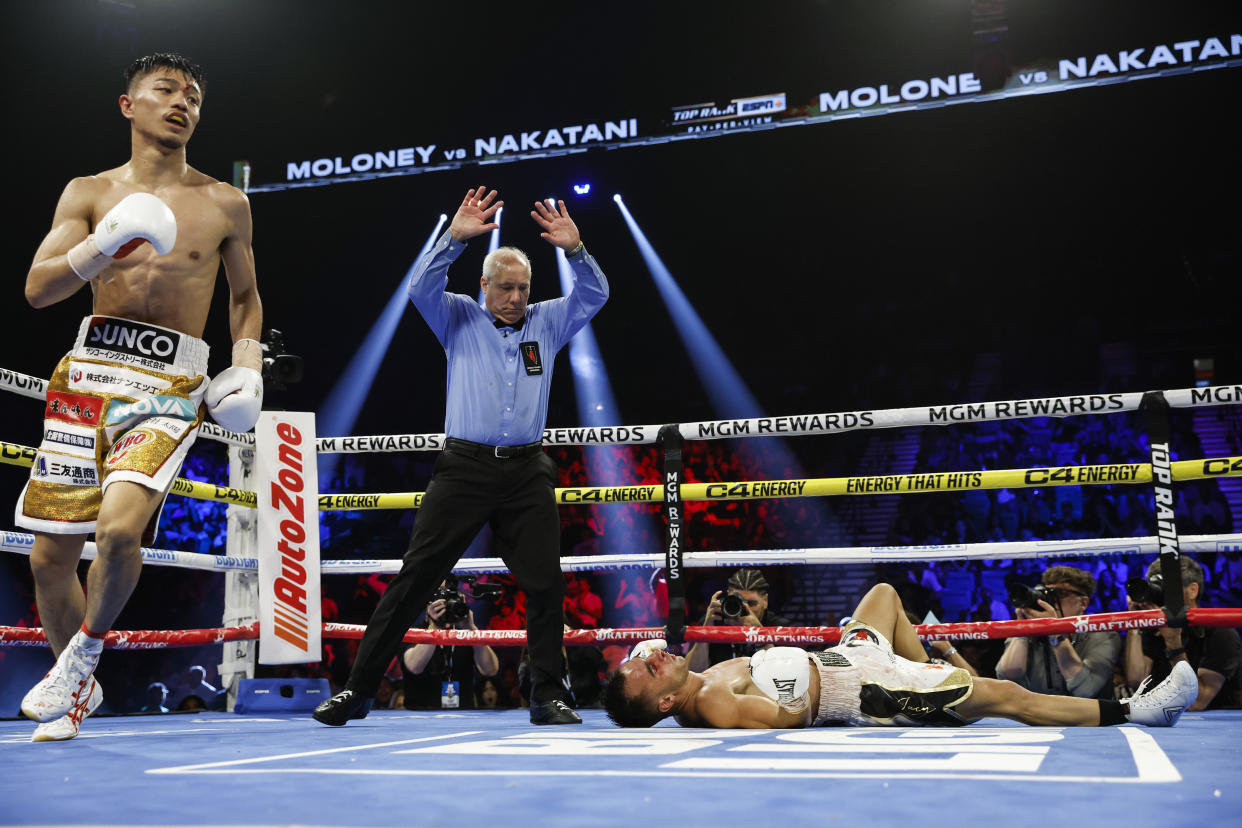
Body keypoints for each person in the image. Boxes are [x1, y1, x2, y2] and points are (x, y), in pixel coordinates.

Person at [18, 53, 264, 743]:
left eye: (192, 95)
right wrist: (100, 247)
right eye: (165, 90)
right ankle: (77, 689)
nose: (182, 101)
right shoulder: (89, 192)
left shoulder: (224, 201)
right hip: (88, 373)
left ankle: (83, 658)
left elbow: (245, 299)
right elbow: (38, 290)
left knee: (120, 532)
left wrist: (248, 364)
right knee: (48, 560)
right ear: (129, 106)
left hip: (170, 384)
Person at [314, 186, 608, 727]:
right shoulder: (456, 317)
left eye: (523, 288)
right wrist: (452, 238)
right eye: (506, 288)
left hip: (526, 469)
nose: (516, 297)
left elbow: (594, 295)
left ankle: (547, 694)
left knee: (546, 583)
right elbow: (418, 284)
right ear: (484, 286)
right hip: (465, 467)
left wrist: (576, 251)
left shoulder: (547, 321)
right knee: (415, 578)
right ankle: (357, 691)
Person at [606, 583, 1198, 730]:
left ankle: (934, 673)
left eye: (647, 656)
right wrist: (880, 701)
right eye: (651, 667)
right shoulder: (707, 698)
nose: (655, 654)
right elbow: (785, 719)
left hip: (845, 659)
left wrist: (645, 660)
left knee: (884, 596)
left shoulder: (679, 684)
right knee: (1009, 699)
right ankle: (1133, 713)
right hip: (858, 688)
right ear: (663, 698)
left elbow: (646, 661)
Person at [1124, 556, 1241, 710]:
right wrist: (1136, 622)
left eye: (1167, 589)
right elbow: (1137, 681)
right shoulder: (1156, 627)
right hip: (1170, 721)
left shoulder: (1220, 632)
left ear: (1192, 590)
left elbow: (1198, 702)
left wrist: (1174, 645)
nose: (1160, 595)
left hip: (1217, 725)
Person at [995, 566, 1121, 699]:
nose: (1051, 600)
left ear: (1083, 603)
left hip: (1087, 716)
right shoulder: (1030, 630)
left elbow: (1086, 690)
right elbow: (1006, 679)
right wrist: (1023, 629)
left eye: (1060, 594)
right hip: (1034, 715)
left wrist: (1055, 631)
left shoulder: (1103, 634)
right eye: (1047, 593)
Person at [401, 585, 499, 710]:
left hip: (463, 715)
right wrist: (435, 628)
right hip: (421, 716)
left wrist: (472, 629)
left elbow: (490, 670)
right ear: (428, 607)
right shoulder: (414, 632)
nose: (446, 609)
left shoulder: (466, 634)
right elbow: (414, 666)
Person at [687, 568, 793, 671]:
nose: (745, 609)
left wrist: (760, 634)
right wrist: (706, 632)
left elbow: (783, 675)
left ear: (765, 601)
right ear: (728, 596)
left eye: (751, 604)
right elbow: (692, 672)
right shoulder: (714, 621)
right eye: (739, 602)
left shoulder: (780, 629)